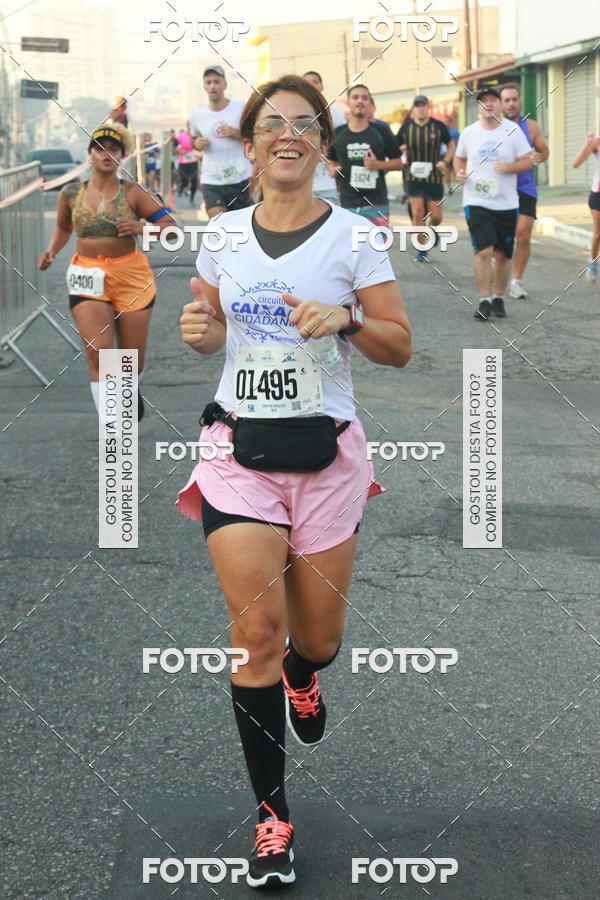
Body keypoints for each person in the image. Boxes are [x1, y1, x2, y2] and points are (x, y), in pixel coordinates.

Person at [176, 74, 411, 888]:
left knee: (316, 641)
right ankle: (273, 814)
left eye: (303, 124)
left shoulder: (354, 238)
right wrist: (199, 328)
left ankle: (306, 677)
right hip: (236, 452)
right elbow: (207, 333)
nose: (288, 134)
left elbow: (399, 346)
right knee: (256, 642)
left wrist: (346, 318)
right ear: (249, 145)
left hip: (326, 457)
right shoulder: (223, 236)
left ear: (320, 145)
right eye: (271, 124)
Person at [37, 124, 175, 421]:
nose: (106, 154)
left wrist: (142, 227)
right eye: (100, 148)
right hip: (87, 276)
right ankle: (114, 427)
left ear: (122, 157)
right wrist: (52, 251)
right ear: (89, 155)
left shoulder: (134, 193)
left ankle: (127, 389)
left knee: (131, 361)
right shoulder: (71, 193)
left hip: (131, 277)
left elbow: (171, 231)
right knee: (99, 352)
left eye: (113, 149)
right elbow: (63, 227)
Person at [453, 87, 533, 320]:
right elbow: (459, 157)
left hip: (506, 203)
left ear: (499, 105)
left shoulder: (513, 131)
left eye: (492, 100)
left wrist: (509, 168)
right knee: (483, 251)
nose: (488, 104)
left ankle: (499, 296)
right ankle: (484, 299)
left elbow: (527, 161)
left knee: (504, 255)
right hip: (476, 200)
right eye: (483, 101)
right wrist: (459, 172)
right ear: (478, 107)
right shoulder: (469, 133)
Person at [500, 83, 550, 298]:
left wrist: (540, 156)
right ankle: (499, 268)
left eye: (514, 99)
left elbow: (544, 150)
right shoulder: (492, 128)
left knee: (524, 234)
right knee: (505, 236)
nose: (511, 103)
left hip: (525, 187)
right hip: (501, 189)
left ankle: (516, 281)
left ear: (520, 100)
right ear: (501, 104)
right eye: (507, 100)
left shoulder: (531, 127)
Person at [326, 83, 401, 226]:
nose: (360, 101)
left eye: (364, 98)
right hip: (348, 204)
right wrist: (331, 168)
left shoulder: (381, 131)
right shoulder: (338, 133)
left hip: (377, 203)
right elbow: (330, 159)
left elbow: (398, 163)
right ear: (348, 103)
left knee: (378, 246)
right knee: (351, 247)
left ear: (369, 103)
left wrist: (378, 165)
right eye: (355, 97)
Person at [397, 94, 455, 262]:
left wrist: (445, 161)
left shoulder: (438, 127)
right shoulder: (407, 128)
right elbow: (394, 146)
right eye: (418, 106)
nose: (421, 108)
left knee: (436, 217)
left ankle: (432, 229)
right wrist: (400, 154)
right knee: (417, 213)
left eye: (424, 105)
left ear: (428, 108)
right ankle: (421, 249)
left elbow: (451, 145)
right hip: (412, 177)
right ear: (413, 109)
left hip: (434, 178)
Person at [189, 65, 252, 218]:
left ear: (225, 84)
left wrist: (236, 133)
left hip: (240, 178)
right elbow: (192, 138)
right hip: (212, 179)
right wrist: (196, 143)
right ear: (204, 86)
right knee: (218, 225)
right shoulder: (197, 115)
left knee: (240, 226)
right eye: (208, 82)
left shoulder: (241, 107)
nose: (213, 86)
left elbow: (253, 136)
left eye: (217, 81)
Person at [302, 70, 345, 203]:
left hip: (328, 183)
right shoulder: (294, 114)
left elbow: (343, 142)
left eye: (315, 82)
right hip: (301, 183)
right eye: (307, 83)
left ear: (321, 86)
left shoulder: (334, 113)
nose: (312, 86)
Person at [571, 130, 600, 281]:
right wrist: (587, 143)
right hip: (598, 193)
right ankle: (593, 262)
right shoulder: (596, 142)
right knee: (598, 233)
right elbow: (575, 163)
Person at [176, 123, 200, 205]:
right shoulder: (181, 136)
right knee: (185, 181)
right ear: (186, 126)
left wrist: (199, 151)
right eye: (189, 126)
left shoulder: (196, 135)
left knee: (194, 180)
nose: (190, 127)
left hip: (194, 160)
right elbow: (174, 147)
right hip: (183, 161)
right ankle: (181, 187)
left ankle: (192, 199)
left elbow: (201, 146)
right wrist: (180, 151)